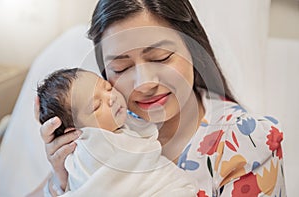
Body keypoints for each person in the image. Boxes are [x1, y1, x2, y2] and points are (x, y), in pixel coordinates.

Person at [31, 0, 286, 196]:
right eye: (121, 68)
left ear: (193, 49)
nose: (145, 83)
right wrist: (61, 178)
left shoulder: (247, 140)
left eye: (160, 58)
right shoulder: (103, 126)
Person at [37, 68, 197, 196]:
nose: (111, 97)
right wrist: (59, 181)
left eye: (108, 87)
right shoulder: (90, 147)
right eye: (96, 105)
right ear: (75, 132)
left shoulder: (126, 119)